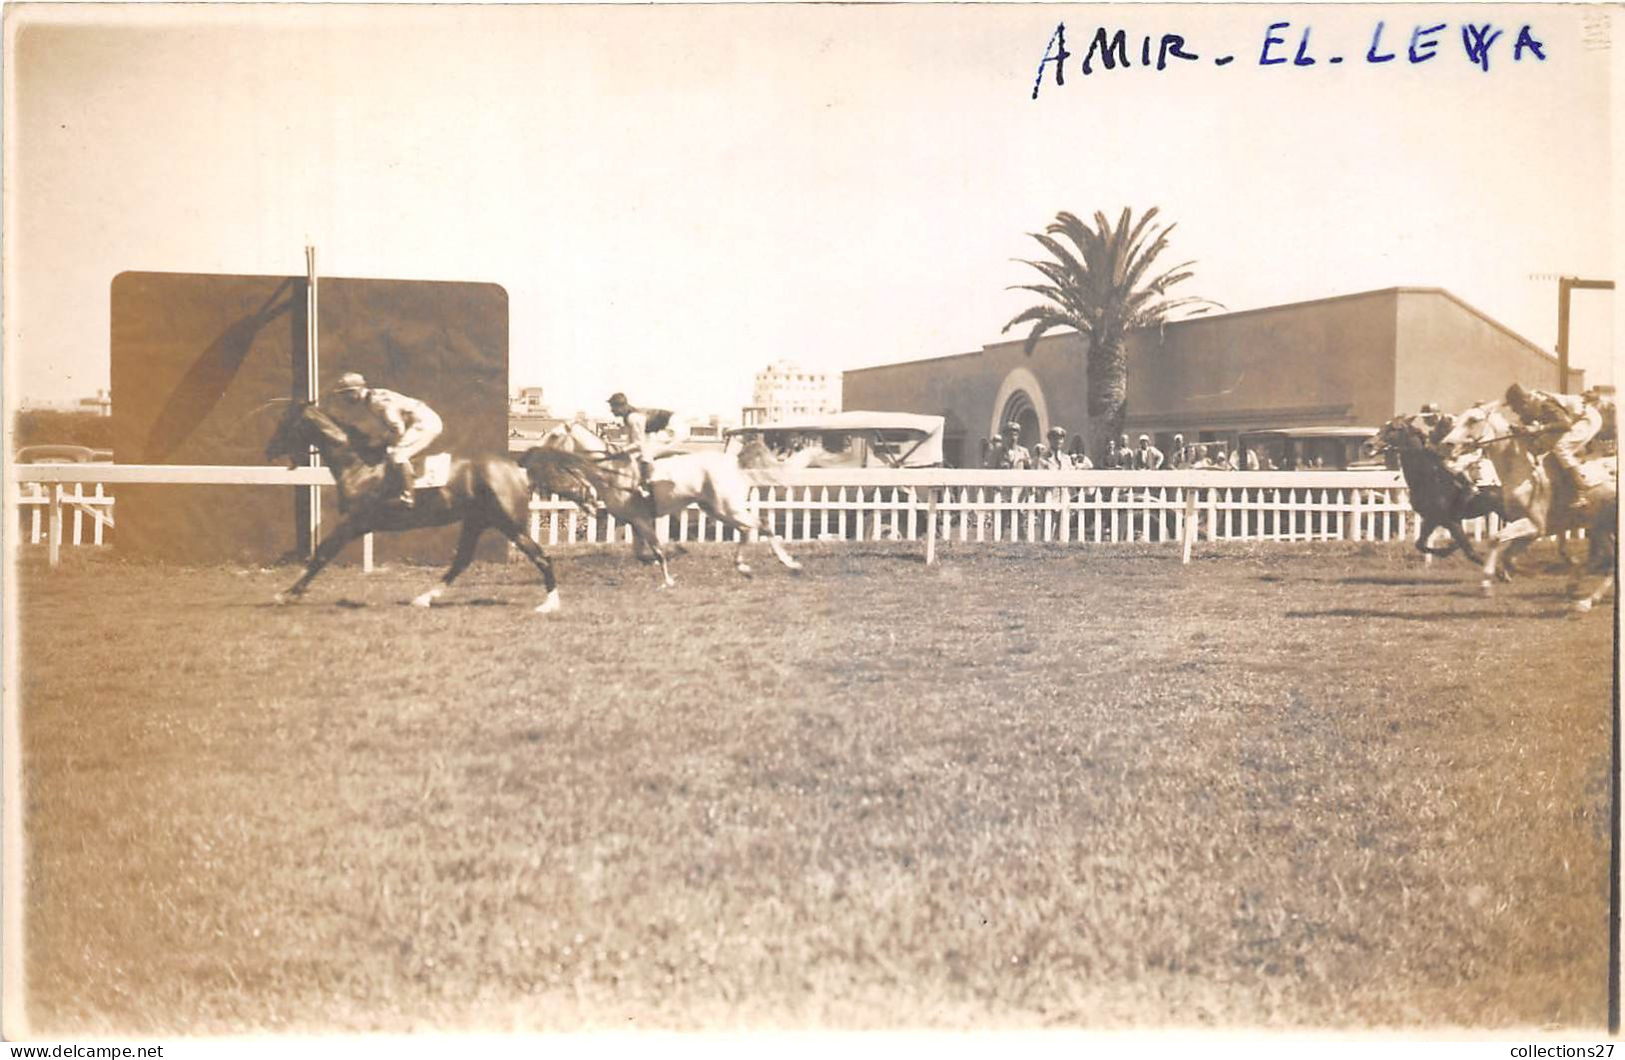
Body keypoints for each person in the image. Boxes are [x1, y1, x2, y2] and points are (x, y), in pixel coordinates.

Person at [322, 371, 442, 508]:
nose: (344, 398)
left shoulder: (377, 402)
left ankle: (408, 496)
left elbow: (397, 428)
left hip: (425, 423)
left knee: (397, 455)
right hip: (418, 421)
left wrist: (382, 441)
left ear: (355, 391)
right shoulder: (372, 397)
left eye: (345, 394)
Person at [1505, 382, 1603, 509]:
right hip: (1573, 421)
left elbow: (1565, 425)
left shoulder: (1545, 404)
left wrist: (1537, 429)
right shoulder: (1529, 407)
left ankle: (1581, 490)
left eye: (1516, 408)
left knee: (1561, 447)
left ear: (1524, 402)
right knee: (1541, 446)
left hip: (1587, 418)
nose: (1515, 412)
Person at [607, 392, 675, 502]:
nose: (611, 410)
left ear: (622, 407)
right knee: (636, 453)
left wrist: (622, 450)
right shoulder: (627, 417)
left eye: (613, 407)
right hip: (661, 428)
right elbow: (632, 441)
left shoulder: (633, 418)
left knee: (645, 453)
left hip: (675, 427)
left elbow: (638, 443)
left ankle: (647, 487)